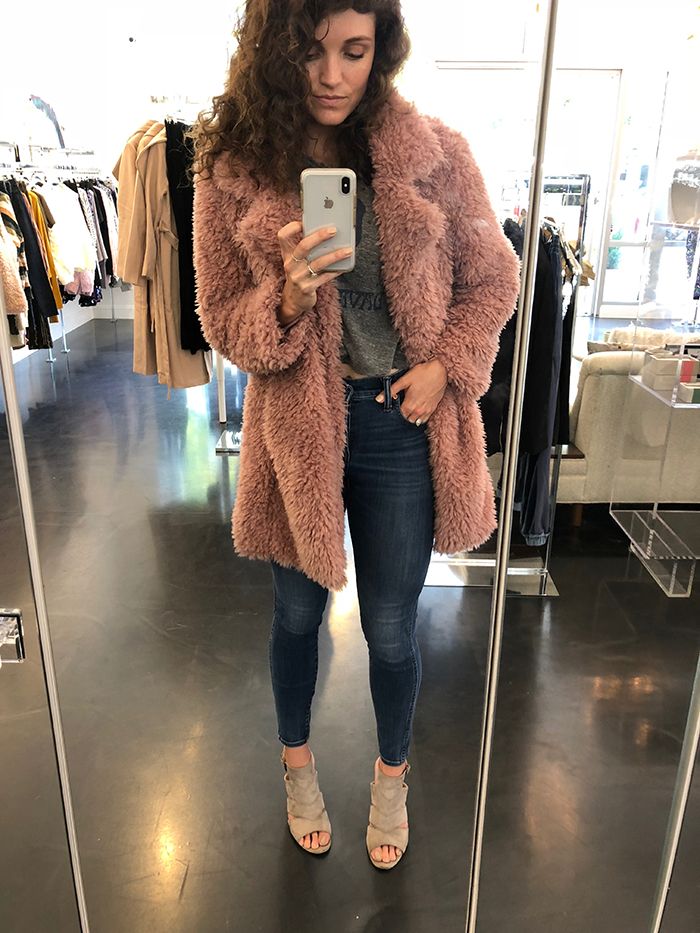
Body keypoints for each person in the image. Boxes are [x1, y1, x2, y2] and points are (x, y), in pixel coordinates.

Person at [191, 1, 520, 869]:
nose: (332, 74)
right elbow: (220, 316)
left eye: (355, 50)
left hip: (398, 422)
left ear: (382, 51)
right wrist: (287, 299)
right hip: (298, 422)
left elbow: (496, 278)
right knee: (297, 613)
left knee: (393, 626)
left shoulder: (436, 155)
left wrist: (448, 365)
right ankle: (297, 766)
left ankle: (391, 777)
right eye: (311, 50)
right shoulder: (235, 170)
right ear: (276, 51)